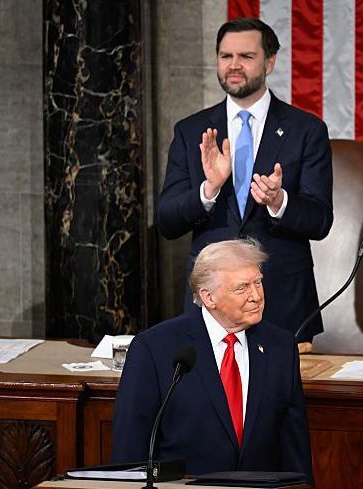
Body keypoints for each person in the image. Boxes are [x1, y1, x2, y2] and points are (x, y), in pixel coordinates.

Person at [156, 18, 333, 348]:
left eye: (246, 57)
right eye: (225, 56)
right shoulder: (191, 131)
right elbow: (167, 220)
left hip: (283, 307)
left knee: (283, 400)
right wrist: (208, 191)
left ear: (270, 61)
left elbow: (321, 220)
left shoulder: (306, 130)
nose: (233, 66)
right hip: (211, 307)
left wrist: (280, 201)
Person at [111, 239, 313, 483]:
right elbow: (130, 448)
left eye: (258, 283)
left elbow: (294, 446)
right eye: (242, 288)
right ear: (208, 297)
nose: (256, 296)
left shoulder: (280, 346)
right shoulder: (155, 348)